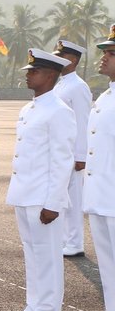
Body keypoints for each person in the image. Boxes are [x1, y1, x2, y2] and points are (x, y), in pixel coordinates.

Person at [0, 49, 74, 311]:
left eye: (34, 71)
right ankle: (33, 307)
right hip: (26, 193)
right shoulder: (29, 109)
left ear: (51, 75)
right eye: (28, 71)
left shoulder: (59, 111)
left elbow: (62, 160)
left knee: (48, 257)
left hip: (44, 197)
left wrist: (53, 202)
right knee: (32, 255)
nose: (28, 75)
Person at [84, 30, 115, 311]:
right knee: (110, 275)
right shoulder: (105, 97)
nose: (104, 57)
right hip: (103, 198)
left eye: (111, 53)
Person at [52, 39, 92, 257]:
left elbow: (82, 121)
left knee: (74, 199)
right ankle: (66, 238)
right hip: (61, 151)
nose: (57, 58)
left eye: (62, 55)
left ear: (73, 60)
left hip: (72, 153)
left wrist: (80, 155)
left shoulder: (78, 86)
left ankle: (75, 242)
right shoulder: (61, 83)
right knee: (61, 198)